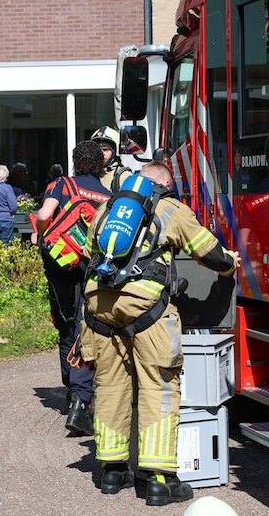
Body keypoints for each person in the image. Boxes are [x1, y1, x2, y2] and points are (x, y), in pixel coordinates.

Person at [80, 161, 240, 507]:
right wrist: (231, 263)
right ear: (166, 183)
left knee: (110, 384)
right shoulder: (171, 208)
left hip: (99, 307)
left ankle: (112, 470)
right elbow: (208, 252)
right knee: (159, 384)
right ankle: (157, 478)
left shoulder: (107, 209)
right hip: (145, 308)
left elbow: (88, 252)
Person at [32, 141, 110, 436]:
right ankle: (81, 398)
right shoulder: (107, 194)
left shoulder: (62, 184)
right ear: (100, 165)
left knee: (66, 323)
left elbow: (43, 216)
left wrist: (43, 238)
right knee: (86, 324)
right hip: (91, 265)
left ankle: (73, 393)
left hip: (62, 262)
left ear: (75, 162)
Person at [90, 126, 132, 192]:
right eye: (97, 150)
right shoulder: (87, 174)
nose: (101, 154)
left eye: (105, 150)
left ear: (115, 152)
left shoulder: (123, 177)